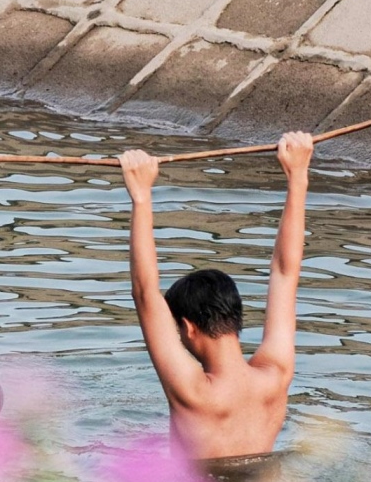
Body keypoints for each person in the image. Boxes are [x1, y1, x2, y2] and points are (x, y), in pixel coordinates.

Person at [118, 132, 313, 461]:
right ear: (234, 318)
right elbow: (285, 273)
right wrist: (298, 177)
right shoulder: (275, 376)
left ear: (188, 327)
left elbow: (144, 293)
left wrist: (141, 197)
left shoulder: (194, 393)